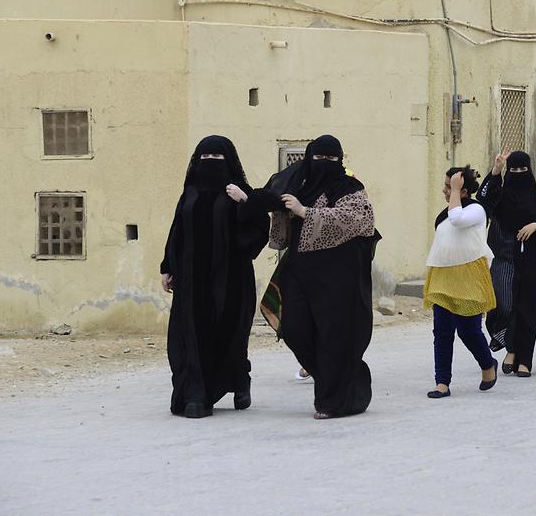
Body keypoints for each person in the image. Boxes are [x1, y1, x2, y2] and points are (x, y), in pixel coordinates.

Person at [227, 135, 377, 419]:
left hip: (337, 276)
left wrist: (305, 211)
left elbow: (361, 220)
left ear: (340, 160)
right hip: (298, 269)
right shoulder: (298, 182)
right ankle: (344, 380)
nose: (324, 164)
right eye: (318, 158)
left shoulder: (350, 187)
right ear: (309, 158)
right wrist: (248, 199)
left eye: (331, 160)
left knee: (333, 334)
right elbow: (274, 200)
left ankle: (331, 402)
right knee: (294, 328)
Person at [160, 136, 269, 418]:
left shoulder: (238, 191)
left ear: (228, 161)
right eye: (204, 158)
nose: (209, 164)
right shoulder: (190, 192)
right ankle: (197, 395)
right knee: (192, 335)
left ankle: (240, 380)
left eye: (217, 159)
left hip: (230, 280)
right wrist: (167, 267)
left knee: (228, 333)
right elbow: (177, 230)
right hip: (191, 280)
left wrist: (245, 202)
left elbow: (259, 229)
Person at [477, 151, 536, 377]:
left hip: (532, 263)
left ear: (530, 171)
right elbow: (483, 198)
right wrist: (496, 170)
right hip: (504, 260)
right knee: (503, 306)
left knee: (528, 311)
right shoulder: (500, 197)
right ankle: (511, 346)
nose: (518, 174)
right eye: (513, 171)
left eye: (522, 170)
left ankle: (524, 361)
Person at [423, 166, 498, 398]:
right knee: (442, 330)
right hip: (444, 275)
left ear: (463, 190)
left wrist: (455, 191)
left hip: (469, 276)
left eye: (450, 186)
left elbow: (457, 220)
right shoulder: (443, 215)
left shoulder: (476, 209)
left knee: (468, 330)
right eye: (446, 186)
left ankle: (488, 364)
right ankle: (442, 382)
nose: (445, 190)